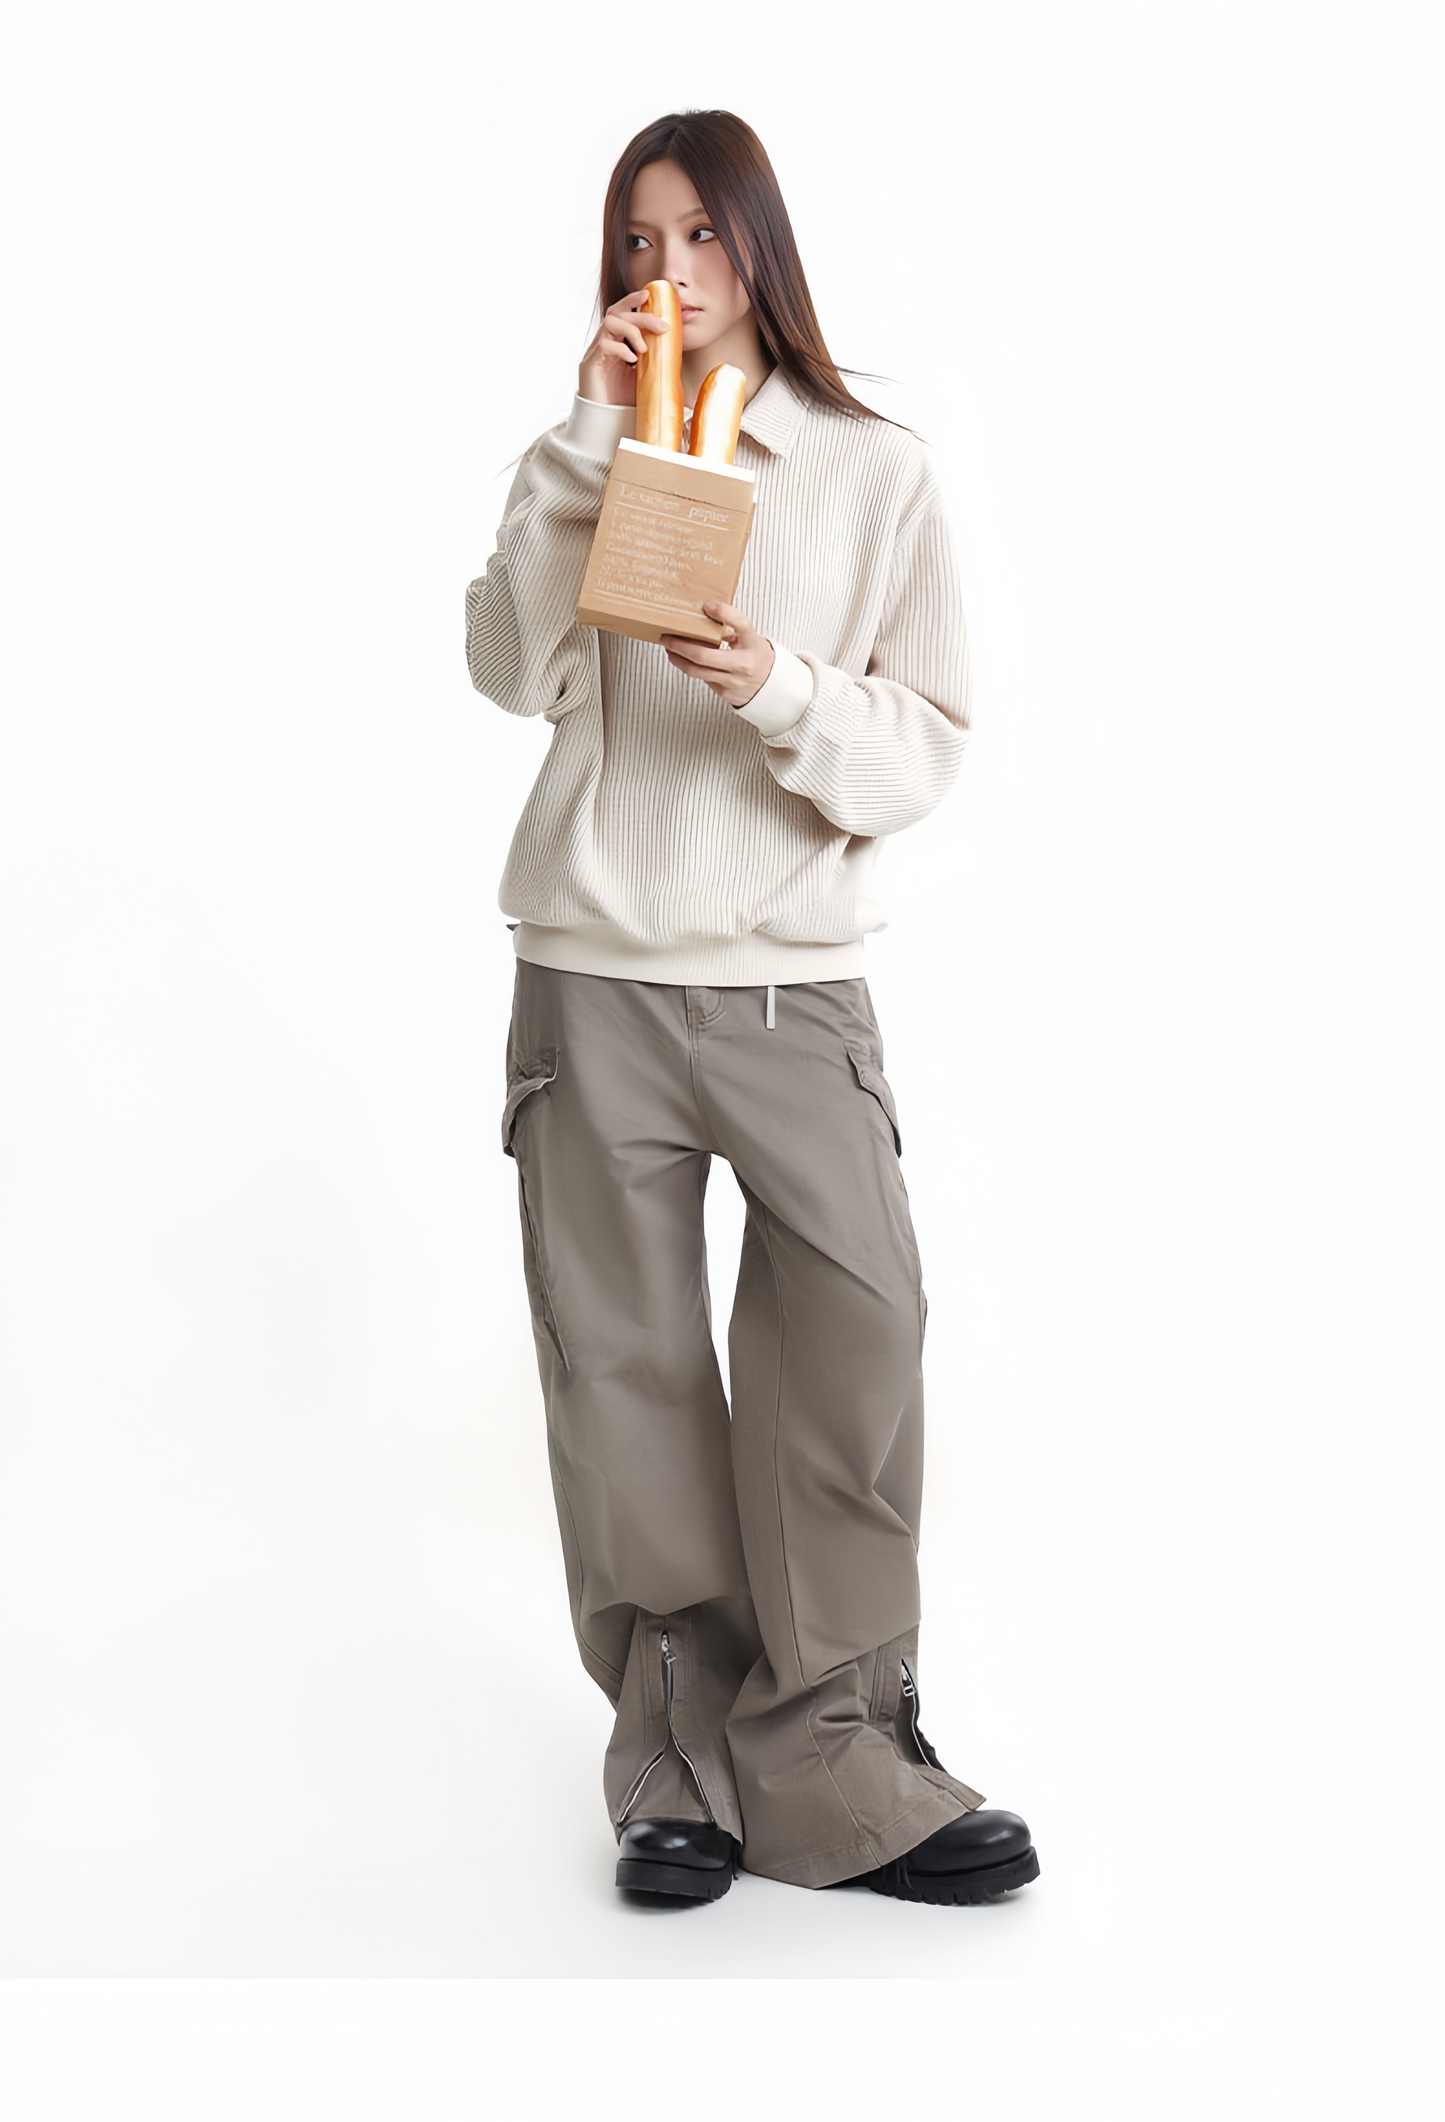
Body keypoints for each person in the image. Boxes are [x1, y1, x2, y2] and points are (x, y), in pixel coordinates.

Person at [465, 109, 1039, 1907]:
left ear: (762, 248)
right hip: (593, 974)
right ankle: (679, 1762)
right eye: (639, 243)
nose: (670, 274)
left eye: (702, 237)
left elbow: (923, 749)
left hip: (795, 986)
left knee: (862, 1329)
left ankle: (839, 1760)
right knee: (625, 1371)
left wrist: (778, 684)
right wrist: (586, 445)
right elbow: (507, 669)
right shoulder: (583, 452)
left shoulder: (873, 469)